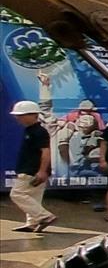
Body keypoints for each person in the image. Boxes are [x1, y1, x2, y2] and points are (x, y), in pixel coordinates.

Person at [10, 98, 54, 233]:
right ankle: (32, 223)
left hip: (31, 170)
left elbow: (45, 152)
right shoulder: (30, 130)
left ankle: (44, 216)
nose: (18, 118)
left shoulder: (38, 132)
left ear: (32, 115)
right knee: (33, 197)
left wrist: (42, 171)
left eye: (21, 115)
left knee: (17, 194)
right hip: (33, 169)